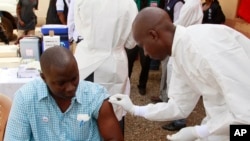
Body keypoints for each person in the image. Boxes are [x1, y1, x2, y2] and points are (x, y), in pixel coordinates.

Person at [109, 7, 250, 141]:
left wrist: (199, 131)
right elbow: (179, 106)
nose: (145, 53)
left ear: (153, 35)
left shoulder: (206, 47)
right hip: (222, 124)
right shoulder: (178, 53)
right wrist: (136, 109)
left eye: (143, 46)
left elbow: (245, 113)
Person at [4, 47, 123, 141]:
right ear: (44, 78)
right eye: (61, 83)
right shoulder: (25, 98)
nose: (71, 88)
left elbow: (114, 138)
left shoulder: (96, 96)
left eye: (74, 78)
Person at [74, 0, 138, 133]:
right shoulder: (128, 3)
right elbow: (132, 42)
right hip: (113, 63)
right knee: (114, 112)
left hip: (86, 61)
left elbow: (79, 29)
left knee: (84, 113)